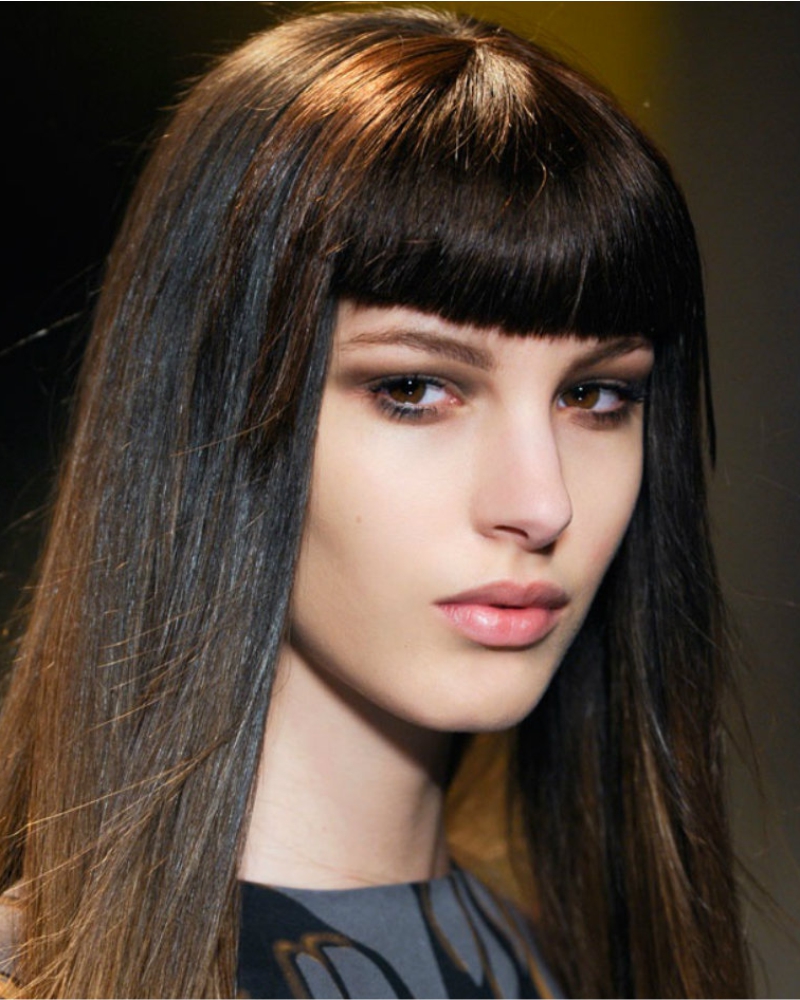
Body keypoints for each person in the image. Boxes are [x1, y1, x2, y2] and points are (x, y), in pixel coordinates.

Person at [0, 6, 752, 997]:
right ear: (207, 401)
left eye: (595, 396)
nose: (541, 503)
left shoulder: (584, 966)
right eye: (414, 387)